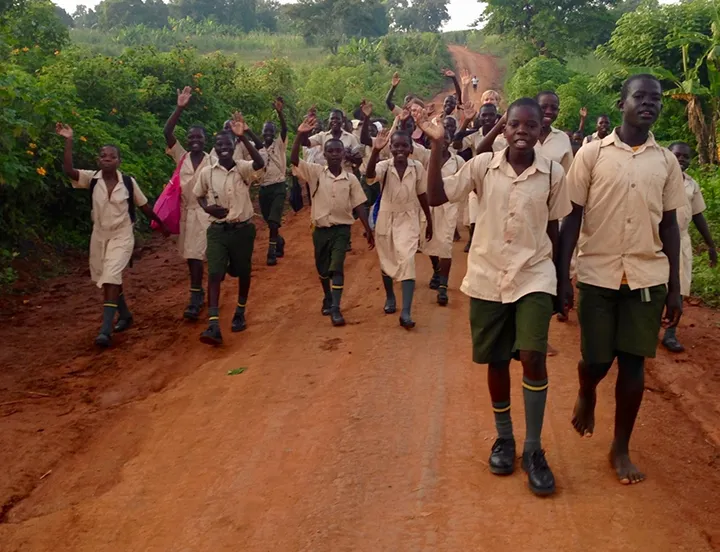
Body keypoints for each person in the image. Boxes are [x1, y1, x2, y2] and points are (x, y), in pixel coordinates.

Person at [421, 97, 572, 497]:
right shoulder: (481, 166)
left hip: (534, 275)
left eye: (531, 125)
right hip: (488, 275)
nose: (522, 131)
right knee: (495, 359)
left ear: (542, 131)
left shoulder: (554, 174)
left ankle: (534, 449)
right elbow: (436, 197)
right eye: (515, 125)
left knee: (532, 356)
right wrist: (437, 145)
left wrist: (561, 283)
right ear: (504, 130)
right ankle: (504, 438)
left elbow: (554, 230)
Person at [558, 74, 687, 485]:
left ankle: (620, 447)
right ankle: (586, 389)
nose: (649, 104)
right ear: (622, 102)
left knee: (634, 363)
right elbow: (572, 217)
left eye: (656, 99)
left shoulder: (665, 161)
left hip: (647, 276)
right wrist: (563, 278)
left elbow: (669, 227)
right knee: (597, 359)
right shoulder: (592, 155)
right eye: (640, 97)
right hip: (597, 273)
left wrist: (675, 289)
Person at [56, 123, 170, 347]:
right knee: (106, 277)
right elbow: (69, 171)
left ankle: (105, 330)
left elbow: (144, 206)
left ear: (119, 161)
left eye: (112, 156)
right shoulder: (92, 179)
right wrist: (68, 140)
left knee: (110, 277)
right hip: (99, 236)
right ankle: (125, 315)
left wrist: (160, 223)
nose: (106, 158)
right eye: (103, 155)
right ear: (98, 160)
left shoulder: (128, 182)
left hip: (122, 235)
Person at [291, 114, 375, 327]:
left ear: (343, 154)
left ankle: (336, 308)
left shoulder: (351, 179)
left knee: (337, 267)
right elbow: (293, 161)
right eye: (331, 151)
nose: (335, 154)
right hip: (320, 229)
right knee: (322, 269)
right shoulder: (316, 173)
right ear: (324, 154)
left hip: (341, 230)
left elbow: (359, 205)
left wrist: (368, 229)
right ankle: (327, 296)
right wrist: (300, 135)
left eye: (339, 151)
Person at [193, 112, 265, 346]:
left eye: (227, 144)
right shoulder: (207, 172)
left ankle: (240, 310)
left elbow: (260, 164)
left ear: (234, 146)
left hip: (242, 230)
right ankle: (213, 323)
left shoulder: (243, 169)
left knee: (243, 272)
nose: (223, 148)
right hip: (217, 231)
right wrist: (208, 209)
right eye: (219, 144)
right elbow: (198, 195)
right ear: (215, 148)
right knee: (214, 273)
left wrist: (243, 136)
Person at [366, 128, 433, 329]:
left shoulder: (418, 167)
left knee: (407, 259)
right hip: (386, 217)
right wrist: (375, 151)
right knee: (387, 258)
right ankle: (390, 297)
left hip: (409, 218)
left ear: (411, 148)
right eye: (396, 145)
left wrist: (429, 219)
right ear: (391, 147)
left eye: (405, 145)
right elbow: (369, 176)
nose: (400, 149)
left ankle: (406, 311)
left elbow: (422, 194)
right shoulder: (383, 166)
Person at [163, 86, 212, 321]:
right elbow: (167, 132)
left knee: (202, 254)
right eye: (191, 137)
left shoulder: (212, 160)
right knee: (191, 257)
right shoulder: (181, 156)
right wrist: (179, 108)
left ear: (205, 140)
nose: (194, 140)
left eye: (199, 137)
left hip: (207, 213)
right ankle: (197, 294)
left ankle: (202, 295)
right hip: (187, 214)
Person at [662, 142, 717, 352]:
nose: (681, 160)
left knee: (681, 286)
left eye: (686, 157)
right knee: (656, 285)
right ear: (668, 155)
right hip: (656, 240)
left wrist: (710, 245)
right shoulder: (658, 178)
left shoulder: (691, 185)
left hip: (682, 240)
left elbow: (698, 215)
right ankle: (646, 329)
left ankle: (670, 334)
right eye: (678, 155)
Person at [455, 103, 508, 253]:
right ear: (479, 117)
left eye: (491, 115)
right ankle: (473, 239)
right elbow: (457, 143)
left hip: (498, 178)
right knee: (474, 214)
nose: (487, 118)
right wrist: (466, 121)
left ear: (496, 116)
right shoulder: (474, 135)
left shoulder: (503, 135)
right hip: (477, 180)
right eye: (484, 115)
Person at [420, 127, 464, 306]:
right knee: (428, 241)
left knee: (445, 244)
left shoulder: (458, 161)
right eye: (437, 138)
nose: (442, 141)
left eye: (445, 138)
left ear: (450, 140)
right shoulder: (425, 156)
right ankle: (436, 269)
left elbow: (465, 182)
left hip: (449, 207)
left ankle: (443, 287)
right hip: (428, 206)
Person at [258, 97, 289, 266]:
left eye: (271, 130)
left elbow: (284, 129)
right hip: (264, 188)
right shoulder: (258, 147)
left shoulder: (279, 145)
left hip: (278, 186)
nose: (268, 133)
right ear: (262, 132)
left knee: (274, 220)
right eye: (265, 130)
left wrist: (279, 112)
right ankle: (279, 240)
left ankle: (271, 252)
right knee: (268, 219)